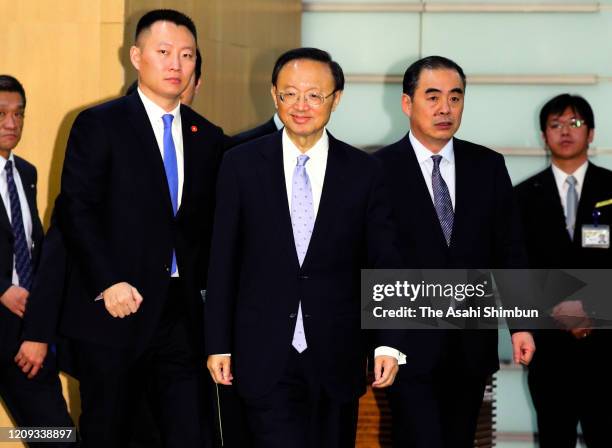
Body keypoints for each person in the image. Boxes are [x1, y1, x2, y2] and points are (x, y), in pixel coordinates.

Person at [205, 47, 400, 448]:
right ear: (274, 94)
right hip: (261, 351)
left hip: (338, 352)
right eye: (290, 93)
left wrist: (387, 341)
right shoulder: (240, 164)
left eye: (315, 94)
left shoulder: (365, 171)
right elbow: (223, 260)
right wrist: (218, 344)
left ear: (337, 98)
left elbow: (382, 263)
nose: (301, 105)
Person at [56, 9, 225, 448]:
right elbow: (77, 210)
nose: (176, 64)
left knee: (189, 433)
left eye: (187, 55)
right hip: (115, 310)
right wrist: (107, 280)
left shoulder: (207, 137)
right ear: (135, 56)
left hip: (182, 317)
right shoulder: (100, 124)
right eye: (164, 52)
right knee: (110, 432)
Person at [374, 56, 535, 448]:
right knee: (418, 438)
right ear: (407, 103)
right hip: (407, 344)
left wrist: (523, 324)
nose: (445, 108)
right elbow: (372, 259)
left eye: (455, 97)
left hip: (469, 345)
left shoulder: (488, 166)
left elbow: (509, 250)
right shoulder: (376, 169)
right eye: (432, 97)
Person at [515, 94, 612, 447]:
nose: (565, 132)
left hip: (606, 347)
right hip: (550, 349)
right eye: (555, 125)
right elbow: (516, 268)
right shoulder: (522, 197)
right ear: (544, 135)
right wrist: (558, 306)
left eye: (575, 123)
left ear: (591, 133)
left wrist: (592, 308)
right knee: (554, 438)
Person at [0, 75, 74, 445]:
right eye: (1, 114)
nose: (11, 124)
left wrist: (40, 323)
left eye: (19, 114)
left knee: (54, 435)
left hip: (24, 334)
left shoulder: (25, 173)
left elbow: (33, 245)